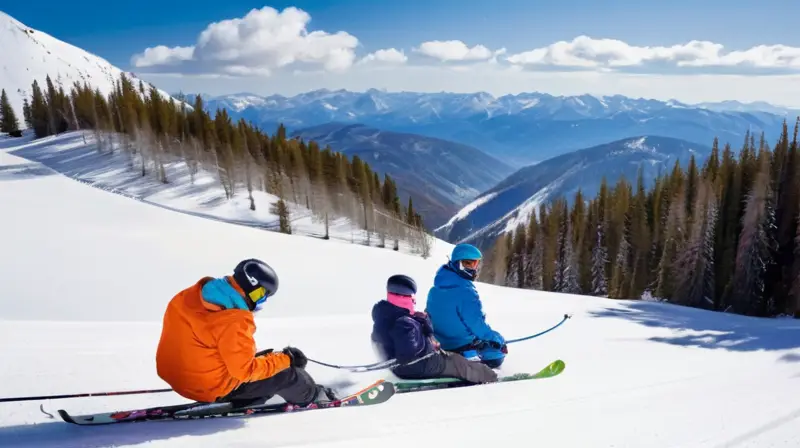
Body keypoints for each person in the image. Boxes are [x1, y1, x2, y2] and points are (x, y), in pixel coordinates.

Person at [155, 258, 337, 409]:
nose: (261, 302)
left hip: (179, 376)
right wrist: (287, 361)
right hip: (209, 388)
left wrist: (277, 358)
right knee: (288, 374)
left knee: (267, 360)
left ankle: (255, 394)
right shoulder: (234, 320)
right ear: (256, 292)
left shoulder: (191, 295)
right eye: (263, 297)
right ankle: (316, 398)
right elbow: (245, 371)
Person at [370, 274, 498, 384]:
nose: (413, 302)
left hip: (403, 367)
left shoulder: (385, 315)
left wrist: (422, 324)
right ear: (405, 298)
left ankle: (484, 373)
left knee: (455, 358)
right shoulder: (405, 323)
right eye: (412, 298)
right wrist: (427, 337)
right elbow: (411, 355)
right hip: (420, 366)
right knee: (459, 363)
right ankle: (491, 377)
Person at [426, 243, 507, 368]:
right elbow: (476, 324)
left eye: (475, 263)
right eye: (468, 263)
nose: (474, 268)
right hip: (460, 346)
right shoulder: (465, 292)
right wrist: (497, 339)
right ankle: (469, 361)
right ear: (457, 263)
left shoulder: (434, 290)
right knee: (498, 354)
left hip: (440, 345)